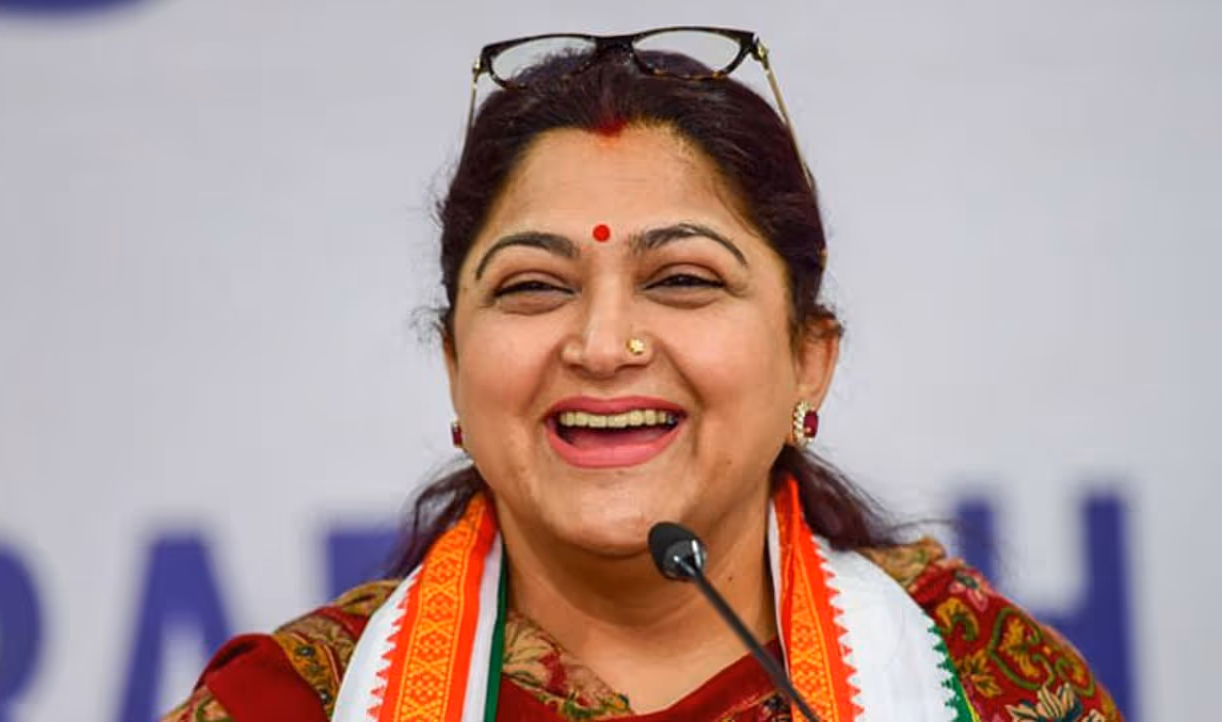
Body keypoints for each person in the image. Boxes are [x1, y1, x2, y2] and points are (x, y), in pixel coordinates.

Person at [163, 27, 1122, 722]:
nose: (602, 344)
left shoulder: (988, 686)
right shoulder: (287, 703)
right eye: (534, 287)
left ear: (808, 359)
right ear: (455, 366)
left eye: (682, 280)